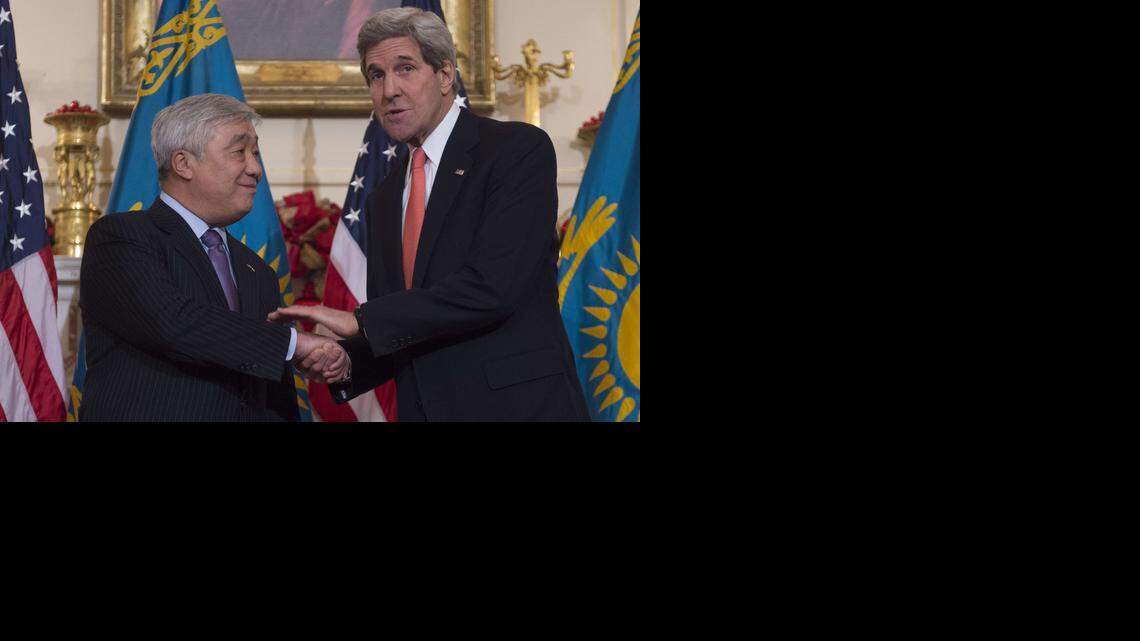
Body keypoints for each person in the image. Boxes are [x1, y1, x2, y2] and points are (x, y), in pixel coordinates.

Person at [269, 8, 589, 421]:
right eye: (376, 76)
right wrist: (345, 361)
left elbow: (492, 288)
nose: (390, 91)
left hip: (519, 408)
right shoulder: (384, 196)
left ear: (444, 75)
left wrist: (360, 320)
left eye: (405, 69)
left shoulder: (515, 151)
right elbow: (408, 319)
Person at [79, 94, 347, 421]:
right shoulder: (122, 238)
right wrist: (293, 344)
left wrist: (298, 351)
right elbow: (173, 322)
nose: (256, 169)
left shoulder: (257, 269)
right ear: (183, 163)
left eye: (256, 153)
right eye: (239, 152)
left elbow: (273, 396)